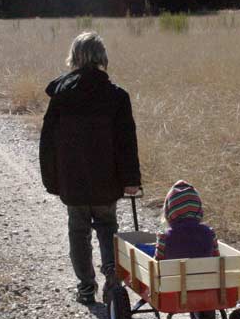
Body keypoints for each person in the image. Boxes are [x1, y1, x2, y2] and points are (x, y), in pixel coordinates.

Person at [40, 31, 141, 304]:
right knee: (108, 228)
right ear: (101, 58)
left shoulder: (61, 96)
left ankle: (86, 286)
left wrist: (51, 179)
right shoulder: (117, 97)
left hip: (73, 181)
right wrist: (131, 179)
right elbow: (126, 143)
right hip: (107, 181)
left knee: (78, 231)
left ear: (74, 57)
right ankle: (112, 280)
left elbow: (47, 142)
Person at [154, 180, 220, 260]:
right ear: (198, 209)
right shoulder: (210, 234)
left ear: (169, 211)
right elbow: (216, 260)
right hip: (207, 272)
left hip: (175, 272)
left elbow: (158, 264)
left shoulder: (164, 238)